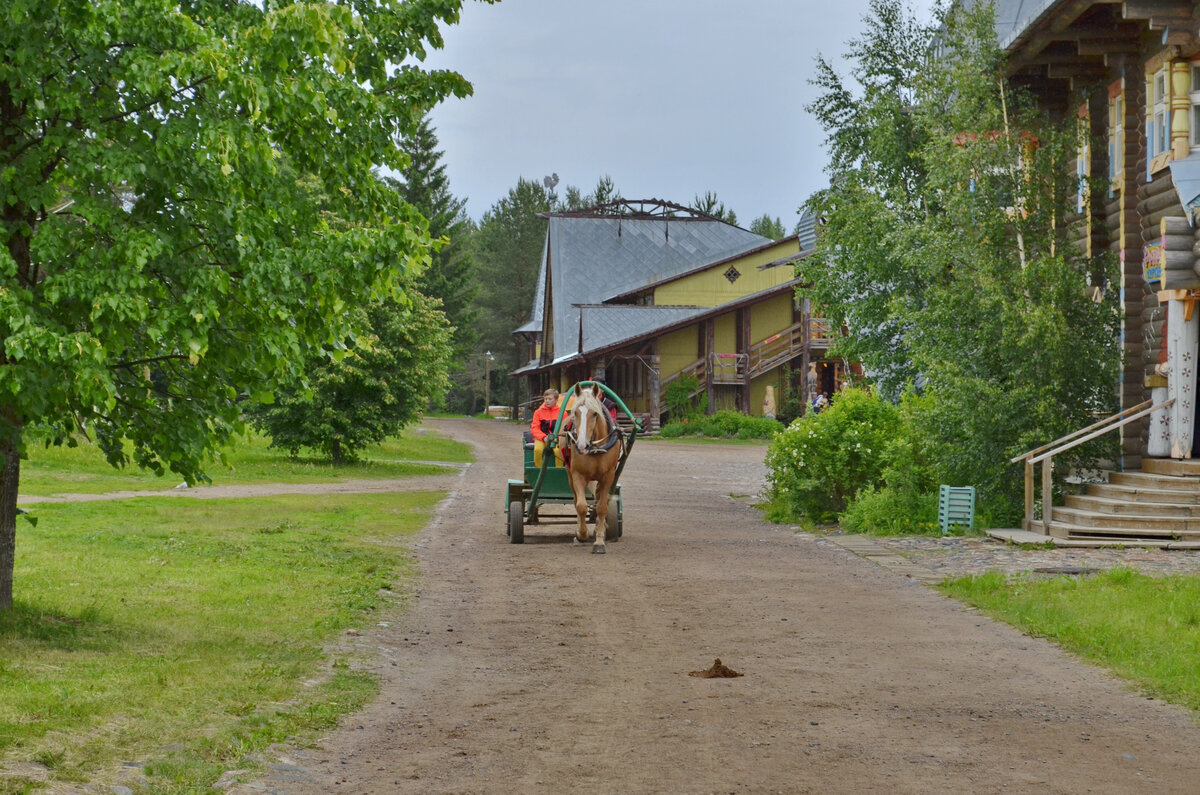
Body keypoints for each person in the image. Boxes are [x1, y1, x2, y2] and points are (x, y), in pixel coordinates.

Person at [530, 388, 564, 468]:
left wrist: (557, 437)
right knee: (538, 450)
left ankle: (558, 472)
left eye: (550, 399)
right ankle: (539, 470)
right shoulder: (538, 412)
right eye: (545, 399)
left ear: (556, 400)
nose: (547, 401)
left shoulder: (562, 412)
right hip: (542, 438)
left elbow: (563, 428)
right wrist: (544, 437)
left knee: (558, 451)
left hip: (556, 438)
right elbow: (534, 428)